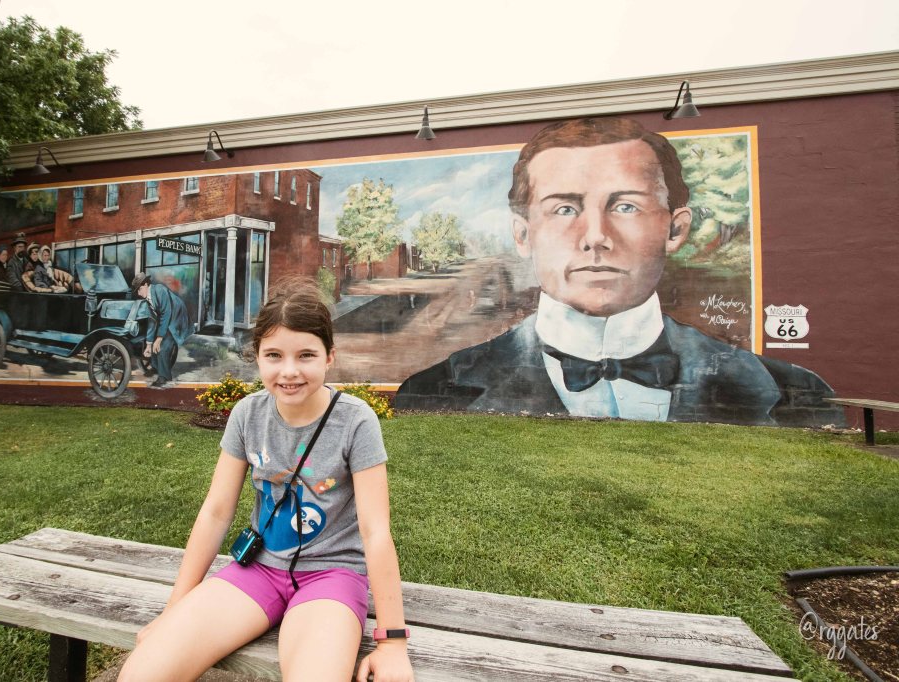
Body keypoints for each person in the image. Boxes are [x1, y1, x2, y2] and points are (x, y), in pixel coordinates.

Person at [396, 117, 842, 427]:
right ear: (523, 233)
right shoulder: (432, 391)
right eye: (564, 209)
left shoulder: (793, 394)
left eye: (626, 206)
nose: (596, 237)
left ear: (675, 229)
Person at [118, 278, 414, 682]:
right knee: (143, 673)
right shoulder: (247, 415)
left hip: (331, 578)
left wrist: (392, 642)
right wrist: (174, 611)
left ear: (329, 357)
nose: (289, 371)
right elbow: (215, 513)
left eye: (306, 355)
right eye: (274, 355)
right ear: (257, 356)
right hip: (257, 570)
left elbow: (375, 532)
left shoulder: (355, 421)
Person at [130, 272, 193, 388]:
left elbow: (166, 314)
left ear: (145, 285)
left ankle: (164, 377)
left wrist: (159, 339)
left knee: (163, 345)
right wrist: (149, 344)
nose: (138, 293)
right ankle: (156, 367)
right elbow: (152, 321)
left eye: (139, 289)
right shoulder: (148, 300)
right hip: (166, 317)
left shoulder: (159, 290)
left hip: (176, 316)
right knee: (155, 342)